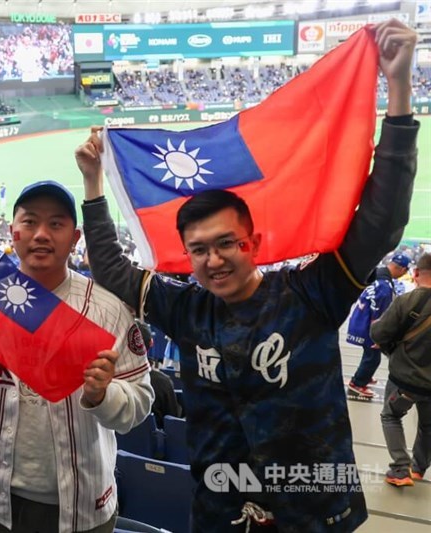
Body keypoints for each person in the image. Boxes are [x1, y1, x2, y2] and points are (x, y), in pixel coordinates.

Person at [74, 20, 418, 531]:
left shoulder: (311, 292)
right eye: (199, 250)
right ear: (186, 257)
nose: (213, 259)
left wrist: (399, 87)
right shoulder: (185, 308)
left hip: (316, 512)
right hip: (220, 511)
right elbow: (111, 269)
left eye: (226, 244)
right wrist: (92, 185)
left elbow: (381, 221)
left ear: (252, 244)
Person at [0, 180, 153, 533]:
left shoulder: (108, 311)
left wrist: (102, 396)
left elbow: (139, 405)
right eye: (30, 222)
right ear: (13, 231)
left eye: (56, 224)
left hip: (83, 507)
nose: (41, 234)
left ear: (76, 237)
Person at [371, 253, 431, 487]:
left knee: (391, 415)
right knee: (428, 426)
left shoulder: (406, 302)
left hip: (404, 380)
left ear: (415, 273)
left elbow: (379, 334)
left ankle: (399, 470)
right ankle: (418, 469)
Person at [346, 253, 410, 398]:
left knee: (370, 354)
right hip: (368, 326)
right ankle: (358, 382)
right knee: (373, 357)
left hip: (360, 320)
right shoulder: (384, 285)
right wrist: (378, 337)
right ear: (402, 269)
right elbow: (378, 314)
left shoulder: (375, 276)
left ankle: (365, 376)